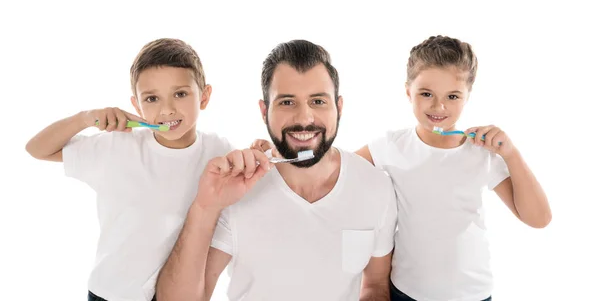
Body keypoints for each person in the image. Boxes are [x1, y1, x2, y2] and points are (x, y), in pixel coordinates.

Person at [156, 39, 398, 301]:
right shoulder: (236, 191)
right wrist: (206, 206)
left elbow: (374, 286)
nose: (304, 119)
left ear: (338, 108)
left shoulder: (376, 187)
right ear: (264, 111)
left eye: (318, 101)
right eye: (286, 102)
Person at [26, 38, 233, 301]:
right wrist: (87, 118)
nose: (167, 109)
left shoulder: (220, 151)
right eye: (152, 98)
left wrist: (259, 151)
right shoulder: (118, 147)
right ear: (136, 105)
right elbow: (37, 149)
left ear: (204, 96)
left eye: (180, 94)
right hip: (110, 294)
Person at [356, 35, 552, 301]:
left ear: (467, 96)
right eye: (426, 94)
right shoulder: (391, 146)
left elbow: (539, 218)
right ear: (407, 92)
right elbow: (335, 170)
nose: (439, 107)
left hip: (473, 295)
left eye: (453, 96)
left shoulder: (482, 154)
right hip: (407, 292)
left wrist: (511, 154)